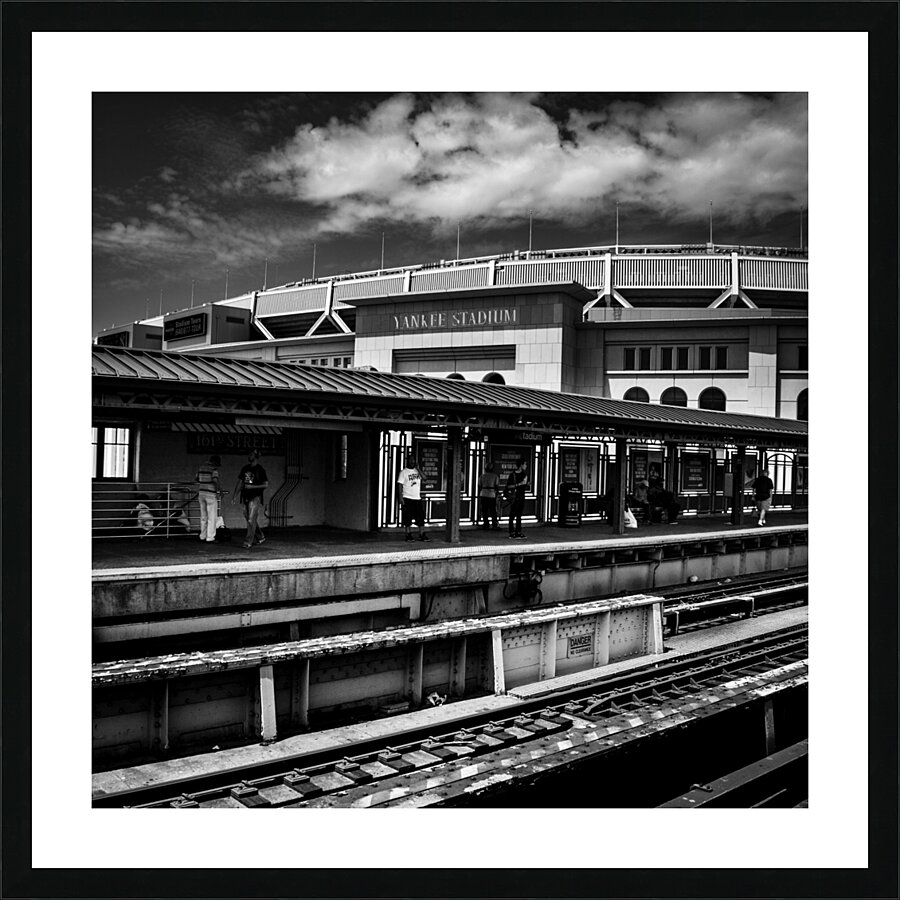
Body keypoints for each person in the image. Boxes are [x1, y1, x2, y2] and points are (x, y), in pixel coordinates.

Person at [232, 449, 268, 549]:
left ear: (256, 456)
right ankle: (260, 536)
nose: (249, 456)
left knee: (251, 519)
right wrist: (235, 495)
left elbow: (265, 484)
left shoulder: (260, 469)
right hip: (245, 496)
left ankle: (248, 542)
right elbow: (240, 482)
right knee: (249, 519)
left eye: (251, 454)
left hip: (255, 497)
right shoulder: (245, 468)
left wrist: (253, 487)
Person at [397, 453, 430, 542]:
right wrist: (400, 497)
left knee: (420, 516)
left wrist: (418, 469)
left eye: (413, 460)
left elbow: (425, 478)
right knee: (407, 517)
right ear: (408, 461)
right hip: (407, 497)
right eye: (410, 460)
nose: (412, 462)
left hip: (417, 498)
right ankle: (408, 534)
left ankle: (421, 534)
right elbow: (400, 485)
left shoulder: (417, 471)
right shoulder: (403, 472)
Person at [195, 454, 221, 543]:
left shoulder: (201, 467)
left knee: (203, 516)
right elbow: (215, 481)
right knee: (212, 517)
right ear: (215, 462)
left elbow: (196, 479)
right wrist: (219, 491)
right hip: (210, 494)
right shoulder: (213, 469)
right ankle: (210, 537)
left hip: (201, 493)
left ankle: (202, 535)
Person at [506, 459, 529, 539]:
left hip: (521, 497)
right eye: (525, 464)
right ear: (521, 465)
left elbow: (525, 486)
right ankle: (511, 532)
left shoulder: (524, 475)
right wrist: (519, 484)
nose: (526, 466)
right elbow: (508, 486)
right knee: (512, 515)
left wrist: (526, 484)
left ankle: (518, 532)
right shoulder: (513, 475)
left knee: (519, 515)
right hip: (514, 497)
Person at [478, 462, 501, 531]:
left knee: (484, 510)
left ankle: (486, 524)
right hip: (492, 494)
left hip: (483, 493)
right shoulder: (495, 476)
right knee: (493, 510)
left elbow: (479, 485)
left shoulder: (482, 476)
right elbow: (497, 486)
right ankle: (494, 524)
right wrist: (497, 494)